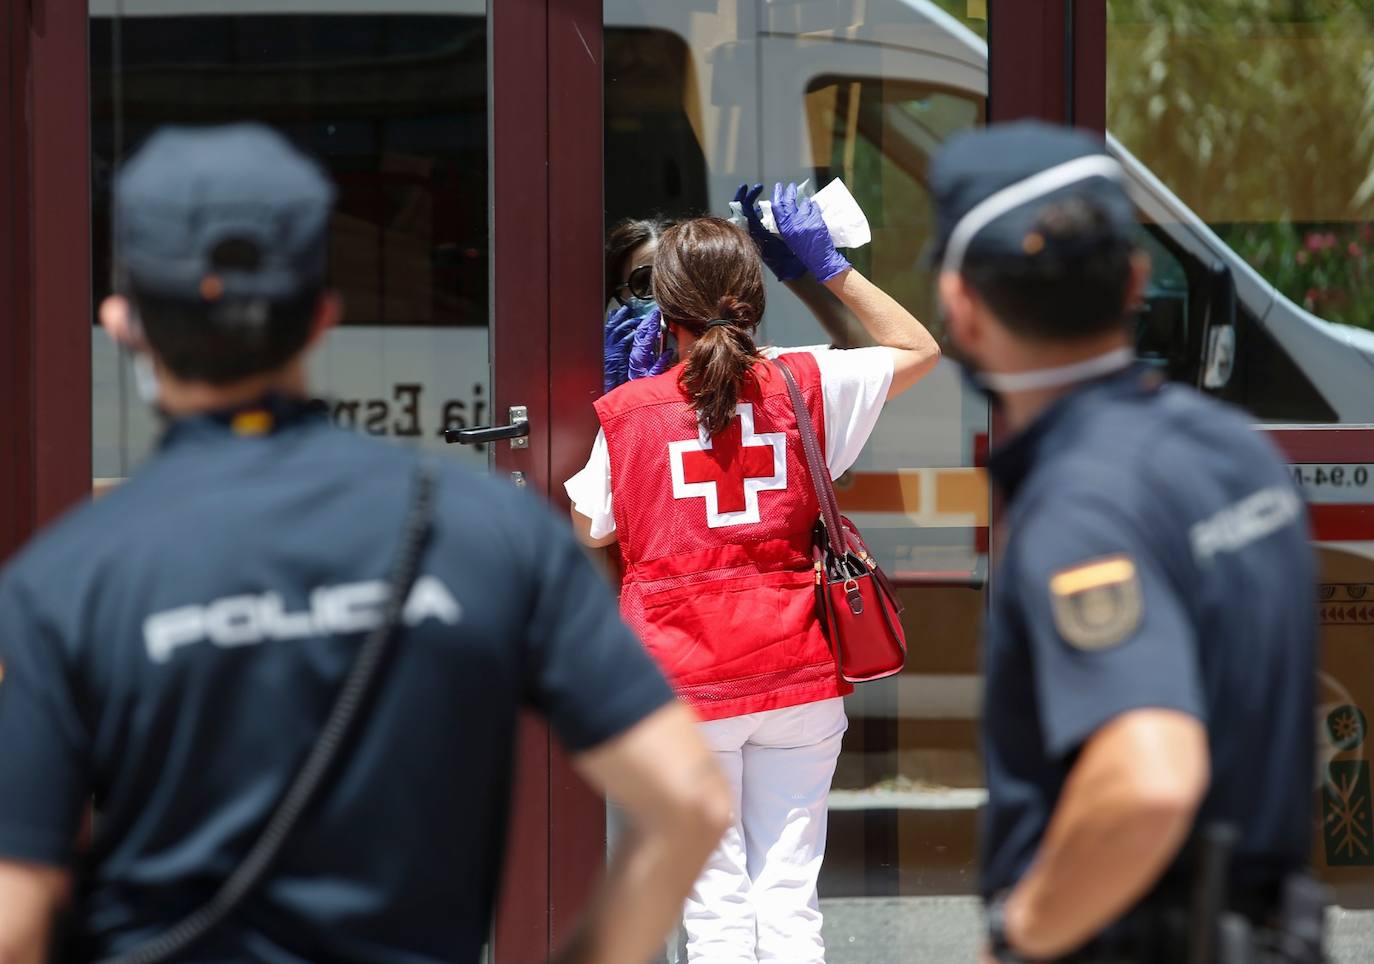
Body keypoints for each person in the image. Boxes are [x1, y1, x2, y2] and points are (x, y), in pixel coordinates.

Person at [0, 123, 731, 964]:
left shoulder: (67, 578)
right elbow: (688, 800)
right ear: (322, 316)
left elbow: (16, 917)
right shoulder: (489, 532)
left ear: (124, 322)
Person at [924, 122, 1322, 963]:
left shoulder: (1081, 506)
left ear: (961, 307)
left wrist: (1022, 933)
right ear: (1137, 279)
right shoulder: (1236, 450)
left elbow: (1149, 781)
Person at [565, 188, 941, 963]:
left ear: (662, 314)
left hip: (683, 685)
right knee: (788, 895)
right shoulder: (808, 386)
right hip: (799, 675)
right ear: (755, 303)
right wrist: (830, 270)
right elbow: (919, 349)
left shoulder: (632, 412)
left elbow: (590, 527)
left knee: (715, 907)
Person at [604, 217, 674, 393]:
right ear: (617, 299)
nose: (664, 294)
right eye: (645, 281)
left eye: (674, 278)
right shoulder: (602, 369)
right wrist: (614, 393)